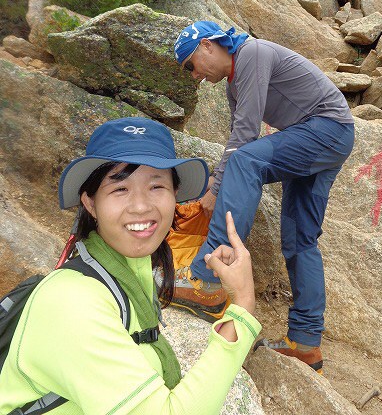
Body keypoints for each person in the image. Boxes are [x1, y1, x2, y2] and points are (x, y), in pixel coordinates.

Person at [0, 117, 260, 415]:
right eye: (120, 189)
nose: (140, 206)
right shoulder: (72, 301)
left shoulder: (127, 277)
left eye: (156, 186)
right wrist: (242, 306)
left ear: (175, 196)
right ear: (90, 203)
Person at [173, 21, 355, 373]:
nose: (193, 75)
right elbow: (237, 132)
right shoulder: (234, 84)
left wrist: (214, 190)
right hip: (330, 136)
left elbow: (244, 136)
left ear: (209, 45)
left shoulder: (252, 53)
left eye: (190, 64)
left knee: (244, 161)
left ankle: (206, 279)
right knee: (300, 239)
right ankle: (305, 343)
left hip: (326, 128)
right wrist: (218, 181)